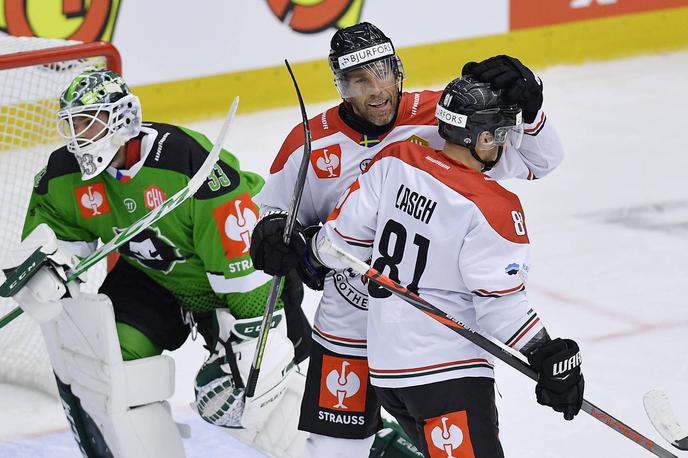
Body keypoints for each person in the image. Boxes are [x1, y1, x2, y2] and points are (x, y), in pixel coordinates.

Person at [249, 21, 565, 457]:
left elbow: (541, 160)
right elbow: (274, 214)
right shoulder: (309, 143)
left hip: (417, 325)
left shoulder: (443, 114)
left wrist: (530, 113)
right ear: (341, 87)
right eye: (359, 80)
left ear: (399, 71)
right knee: (333, 449)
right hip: (349, 323)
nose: (375, 90)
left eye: (382, 73)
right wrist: (273, 234)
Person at [2, 69, 308, 457]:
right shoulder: (65, 176)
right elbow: (50, 238)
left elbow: (242, 251)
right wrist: (46, 271)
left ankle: (370, 449)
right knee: (112, 364)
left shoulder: (185, 162)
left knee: (257, 401)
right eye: (72, 124)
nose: (78, 136)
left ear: (122, 118)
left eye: (88, 122)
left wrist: (254, 332)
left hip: (245, 279)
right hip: (152, 278)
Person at [315, 75, 585, 456]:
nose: (504, 141)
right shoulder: (493, 206)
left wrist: (308, 245)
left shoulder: (397, 160)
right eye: (498, 132)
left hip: (387, 372)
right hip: (446, 376)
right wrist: (546, 352)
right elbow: (500, 308)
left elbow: (339, 244)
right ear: (479, 137)